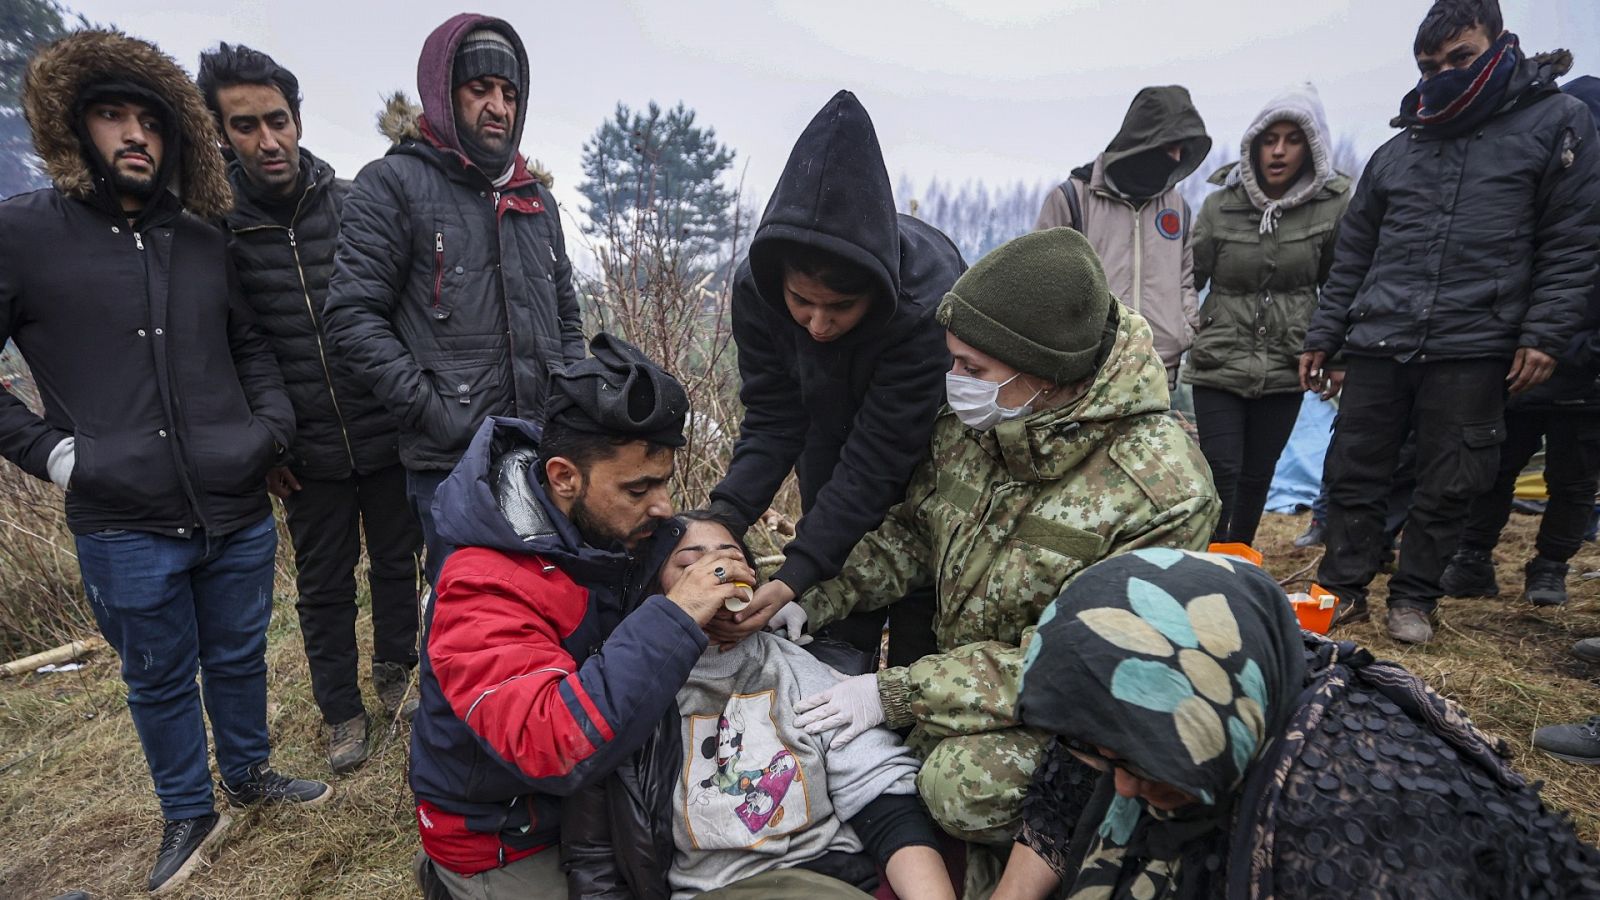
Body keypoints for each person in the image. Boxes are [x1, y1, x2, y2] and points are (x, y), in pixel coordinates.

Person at [777, 229, 1217, 876]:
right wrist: (807, 595)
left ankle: (1104, 844)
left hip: (1090, 713)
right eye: (952, 361)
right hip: (973, 682)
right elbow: (913, 535)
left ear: (1048, 373)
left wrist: (896, 693)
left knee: (959, 784)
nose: (954, 383)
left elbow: (1092, 665)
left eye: (972, 370)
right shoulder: (981, 423)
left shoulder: (1160, 494)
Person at [0, 31, 329, 895]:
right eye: (113, 116)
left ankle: (250, 774)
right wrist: (58, 457)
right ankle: (189, 810)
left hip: (235, 503)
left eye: (150, 119)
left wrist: (268, 430)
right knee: (156, 676)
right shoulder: (24, 234)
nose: (135, 135)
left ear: (175, 136)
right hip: (120, 517)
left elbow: (250, 343)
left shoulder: (203, 238)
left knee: (239, 654)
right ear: (77, 129)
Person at [996, 549, 1600, 899]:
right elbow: (1057, 817)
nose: (1121, 786)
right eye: (1108, 758)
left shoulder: (1359, 826)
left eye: (1141, 764)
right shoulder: (1131, 718)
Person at [408, 336, 759, 898]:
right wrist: (677, 615)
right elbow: (551, 745)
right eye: (639, 488)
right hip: (507, 830)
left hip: (609, 797)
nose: (664, 506)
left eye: (666, 481)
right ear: (564, 476)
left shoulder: (608, 526)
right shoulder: (479, 584)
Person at [1299, 0, 1600, 643]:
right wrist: (1326, 334)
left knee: (1450, 477)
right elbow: (1354, 252)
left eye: (1460, 58)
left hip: (1475, 340)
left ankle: (1415, 598)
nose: (1445, 74)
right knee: (1354, 468)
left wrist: (1544, 334)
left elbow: (1573, 240)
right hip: (1381, 336)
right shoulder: (1398, 148)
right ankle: (1340, 590)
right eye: (1430, 65)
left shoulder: (1559, 124)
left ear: (1501, 43)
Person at [200, 42, 424, 775]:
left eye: (278, 120)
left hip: (386, 434)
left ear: (297, 120)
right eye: (245, 126)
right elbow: (224, 346)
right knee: (324, 588)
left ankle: (399, 675)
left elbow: (400, 310)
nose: (268, 141)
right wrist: (264, 446)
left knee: (397, 562)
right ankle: (341, 712)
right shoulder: (218, 231)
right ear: (220, 134)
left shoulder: (356, 202)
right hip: (303, 455)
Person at [562, 512, 956, 900]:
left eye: (730, 558)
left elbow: (882, 794)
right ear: (655, 592)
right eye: (690, 561)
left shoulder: (793, 668)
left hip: (825, 882)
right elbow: (593, 855)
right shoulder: (621, 686)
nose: (716, 571)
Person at [324, 14, 584, 586]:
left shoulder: (535, 198)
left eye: (509, 93)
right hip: (451, 463)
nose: (498, 106)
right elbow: (351, 318)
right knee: (463, 617)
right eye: (479, 89)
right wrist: (434, 410)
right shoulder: (392, 184)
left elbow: (567, 314)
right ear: (444, 94)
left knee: (547, 602)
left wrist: (568, 400)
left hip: (543, 453)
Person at [707, 90, 965, 667]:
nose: (818, 326)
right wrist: (720, 523)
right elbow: (774, 419)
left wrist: (795, 571)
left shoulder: (924, 305)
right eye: (802, 302)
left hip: (929, 461)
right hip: (829, 435)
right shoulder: (758, 289)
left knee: (922, 625)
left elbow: (880, 455)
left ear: (876, 292)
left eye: (841, 308)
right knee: (838, 619)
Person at [1441, 75, 1600, 609]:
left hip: (1585, 373)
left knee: (1573, 479)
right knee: (1493, 466)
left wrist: (1578, 350)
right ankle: (1471, 560)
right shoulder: (1531, 198)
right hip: (1518, 364)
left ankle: (1550, 566)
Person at [1184, 83, 1352, 546]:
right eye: (1269, 139)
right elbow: (1189, 278)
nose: (1278, 151)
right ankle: (1209, 554)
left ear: (1312, 146)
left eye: (1292, 139)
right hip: (1219, 358)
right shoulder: (1220, 205)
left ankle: (1239, 554)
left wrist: (1336, 353)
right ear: (1254, 143)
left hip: (1289, 358)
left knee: (1260, 471)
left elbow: (1342, 282)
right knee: (1221, 467)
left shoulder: (1336, 205)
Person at [1036, 85, 1211, 394]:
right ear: (1143, 139)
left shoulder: (1177, 208)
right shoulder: (1074, 199)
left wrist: (1184, 329)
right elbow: (1042, 282)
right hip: (1089, 368)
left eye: (1181, 148)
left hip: (1158, 367)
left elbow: (1186, 280)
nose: (1176, 156)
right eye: (1169, 145)